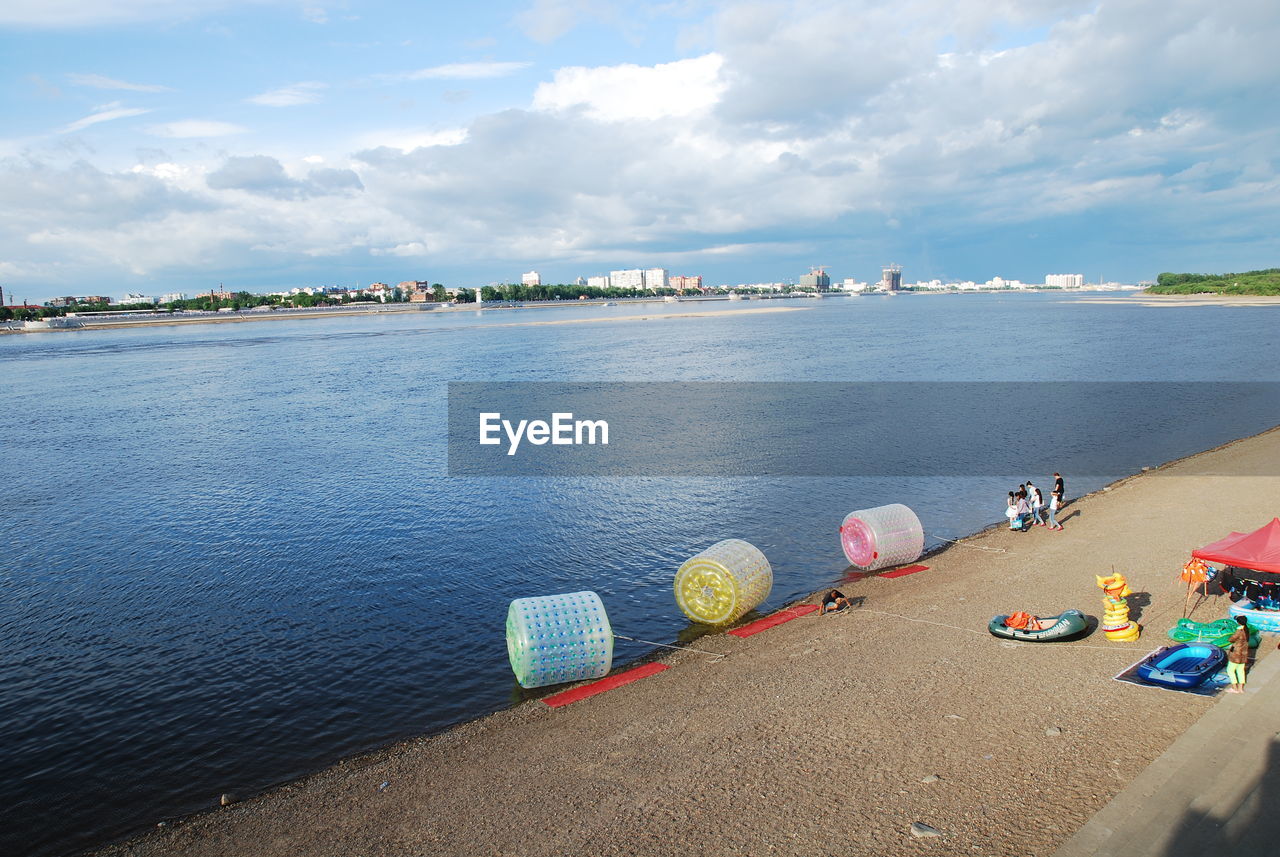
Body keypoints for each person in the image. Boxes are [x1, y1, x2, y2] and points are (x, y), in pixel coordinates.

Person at [1226, 616, 1250, 692]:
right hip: (1244, 653)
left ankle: (1234, 688)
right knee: (1240, 670)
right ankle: (1241, 688)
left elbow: (1231, 639)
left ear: (1238, 622)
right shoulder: (1247, 630)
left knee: (1230, 670)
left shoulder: (1239, 631)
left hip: (1236, 654)